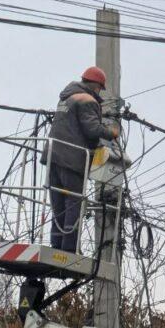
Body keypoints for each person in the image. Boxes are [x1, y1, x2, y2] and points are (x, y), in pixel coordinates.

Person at [45, 66, 119, 253]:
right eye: (99, 89)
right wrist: (111, 132)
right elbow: (92, 129)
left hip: (53, 157)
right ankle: (69, 249)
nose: (98, 92)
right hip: (72, 159)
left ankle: (56, 245)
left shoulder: (66, 98)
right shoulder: (88, 100)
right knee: (74, 203)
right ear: (96, 85)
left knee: (58, 203)